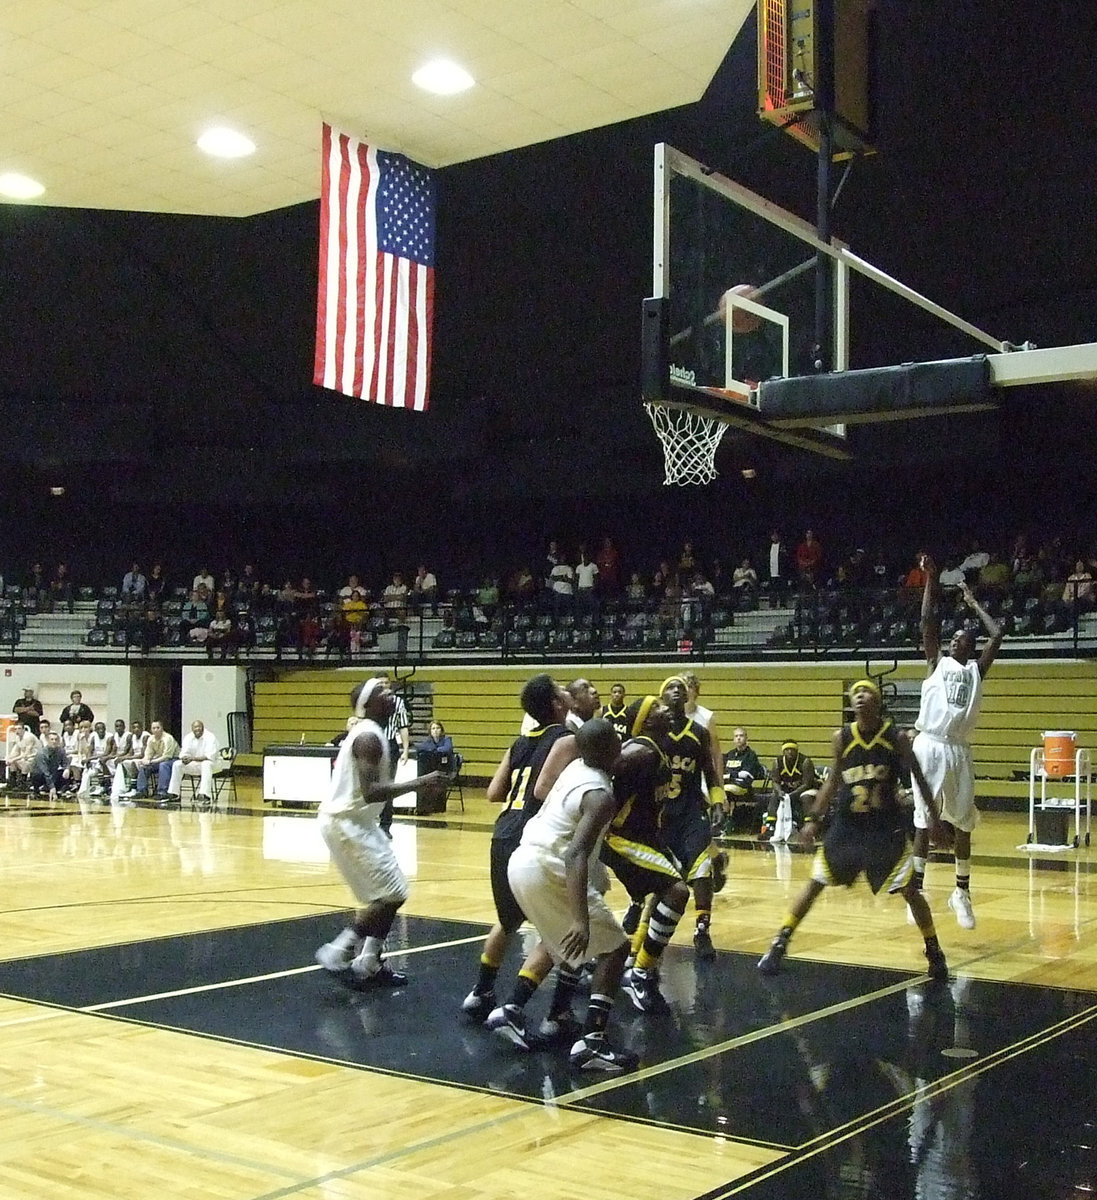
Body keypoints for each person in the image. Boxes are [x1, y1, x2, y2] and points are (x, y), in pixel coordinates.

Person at [757, 679, 949, 981]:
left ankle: (934, 949)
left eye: (867, 692)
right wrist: (813, 820)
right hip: (848, 827)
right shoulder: (842, 737)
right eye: (855, 693)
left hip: (885, 828)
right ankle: (780, 941)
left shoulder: (895, 737)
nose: (860, 696)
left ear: (878, 701)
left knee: (911, 890)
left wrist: (934, 818)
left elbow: (919, 777)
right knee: (815, 882)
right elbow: (833, 781)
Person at [503, 718, 638, 1073]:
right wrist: (581, 918)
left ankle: (511, 1011)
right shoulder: (600, 796)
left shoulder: (577, 766)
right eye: (617, 742)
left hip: (522, 862)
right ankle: (592, 1042)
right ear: (609, 750)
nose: (622, 745)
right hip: (549, 869)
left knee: (557, 941)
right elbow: (574, 854)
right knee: (614, 948)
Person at [313, 678, 448, 988]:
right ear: (368, 704)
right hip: (346, 822)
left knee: (390, 893)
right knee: (393, 893)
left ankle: (370, 960)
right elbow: (372, 791)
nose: (392, 695)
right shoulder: (367, 739)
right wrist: (421, 782)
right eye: (383, 692)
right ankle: (338, 950)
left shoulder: (373, 734)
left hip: (357, 821)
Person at [460, 674, 572, 1022]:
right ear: (556, 704)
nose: (567, 691)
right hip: (534, 834)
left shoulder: (519, 742)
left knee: (508, 920)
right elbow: (542, 790)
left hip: (502, 832)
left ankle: (480, 992)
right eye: (560, 689)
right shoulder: (566, 740)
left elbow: (494, 793)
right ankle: (523, 1006)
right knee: (561, 926)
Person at [909, 557, 1003, 930]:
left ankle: (961, 892)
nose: (953, 640)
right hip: (930, 745)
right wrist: (932, 577)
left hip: (959, 750)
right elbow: (926, 620)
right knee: (922, 824)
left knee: (964, 825)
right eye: (952, 638)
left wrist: (973, 602)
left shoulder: (976, 671)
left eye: (960, 639)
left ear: (969, 646)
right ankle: (915, 890)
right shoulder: (936, 662)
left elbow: (997, 635)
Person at [601, 695, 691, 1013]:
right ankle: (640, 973)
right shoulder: (637, 750)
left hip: (645, 837)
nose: (665, 709)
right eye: (656, 707)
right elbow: (605, 776)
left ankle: (638, 958)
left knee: (673, 880)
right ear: (644, 720)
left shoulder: (657, 750)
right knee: (677, 891)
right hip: (619, 837)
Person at [658, 676, 725, 960]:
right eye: (671, 688)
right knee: (662, 880)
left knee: (702, 867)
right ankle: (642, 917)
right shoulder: (653, 732)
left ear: (688, 697)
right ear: (661, 697)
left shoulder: (699, 732)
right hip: (659, 815)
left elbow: (710, 772)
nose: (676, 692)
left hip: (690, 811)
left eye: (681, 689)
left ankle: (702, 929)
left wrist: (719, 802)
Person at [759, 740, 819, 842]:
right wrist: (779, 792)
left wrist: (792, 795)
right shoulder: (777, 762)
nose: (790, 752)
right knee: (774, 796)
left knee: (805, 797)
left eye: (792, 749)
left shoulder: (805, 762)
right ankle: (770, 827)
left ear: (797, 751)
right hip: (790, 790)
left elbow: (807, 784)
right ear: (783, 751)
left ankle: (809, 829)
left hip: (810, 789)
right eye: (787, 749)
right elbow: (775, 782)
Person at [377, 673, 409, 837]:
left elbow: (403, 726)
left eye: (386, 682)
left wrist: (405, 749)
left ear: (390, 684)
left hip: (390, 745)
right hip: (373, 744)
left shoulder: (398, 702)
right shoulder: (371, 702)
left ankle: (385, 826)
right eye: (380, 682)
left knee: (388, 787)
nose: (383, 685)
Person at [164, 719, 222, 807]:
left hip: (213, 765)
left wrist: (192, 758)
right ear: (192, 729)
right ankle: (174, 793)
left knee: (206, 764)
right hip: (196, 764)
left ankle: (204, 795)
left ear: (203, 728)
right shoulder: (188, 737)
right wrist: (184, 758)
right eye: (195, 727)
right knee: (177, 764)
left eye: (199, 727)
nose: (197, 729)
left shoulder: (210, 737)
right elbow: (183, 753)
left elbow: (209, 757)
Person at [721, 726, 765, 835]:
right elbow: (724, 772)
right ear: (733, 739)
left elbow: (746, 775)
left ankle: (725, 822)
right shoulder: (730, 754)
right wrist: (735, 774)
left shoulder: (751, 755)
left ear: (746, 738)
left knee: (725, 791)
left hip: (744, 788)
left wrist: (729, 775)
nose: (739, 738)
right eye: (736, 736)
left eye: (741, 736)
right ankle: (722, 820)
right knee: (717, 791)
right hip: (729, 784)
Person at [135, 721, 180, 799]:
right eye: (153, 728)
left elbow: (167, 756)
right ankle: (141, 791)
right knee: (144, 766)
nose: (156, 730)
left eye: (158, 728)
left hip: (173, 759)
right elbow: (148, 753)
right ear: (151, 730)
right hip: (159, 759)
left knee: (163, 765)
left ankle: (162, 792)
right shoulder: (151, 739)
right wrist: (145, 760)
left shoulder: (168, 738)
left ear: (162, 728)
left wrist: (151, 761)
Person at [5, 722, 41, 793]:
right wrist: (9, 758)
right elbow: (16, 751)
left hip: (35, 758)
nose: (17, 730)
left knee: (25, 762)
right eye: (16, 729)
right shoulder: (17, 738)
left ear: (24, 729)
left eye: (19, 728)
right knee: (12, 762)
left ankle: (23, 783)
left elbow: (26, 754)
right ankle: (13, 783)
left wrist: (13, 759)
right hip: (26, 757)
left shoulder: (29, 737)